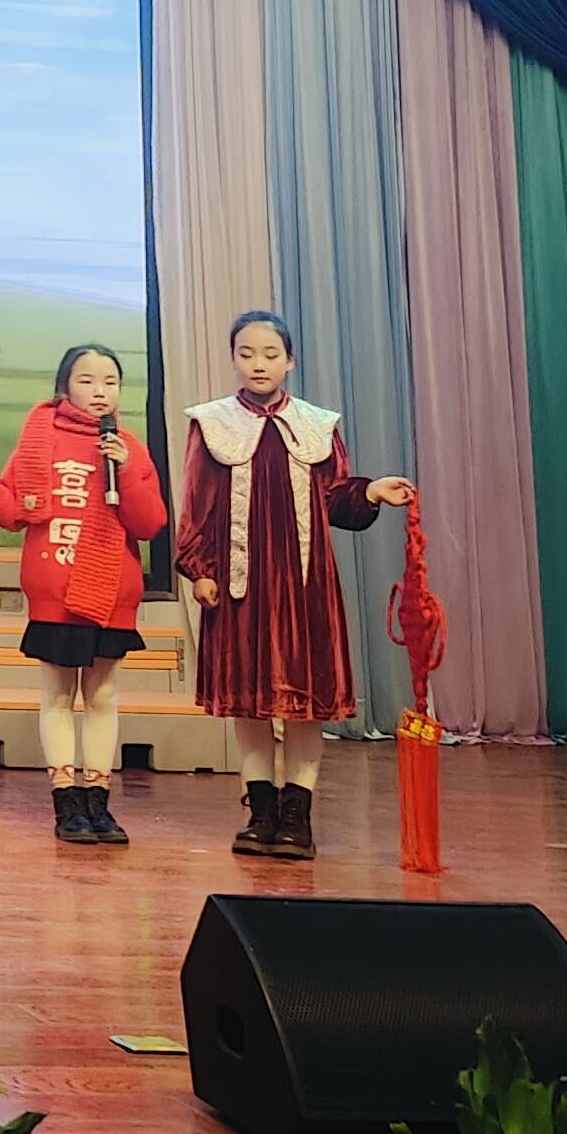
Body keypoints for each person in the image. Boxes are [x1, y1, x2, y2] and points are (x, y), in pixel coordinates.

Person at [177, 308, 412, 861]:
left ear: (290, 361)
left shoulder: (316, 425)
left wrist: (371, 491)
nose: (258, 364)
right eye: (246, 353)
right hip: (239, 583)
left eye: (270, 354)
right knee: (250, 703)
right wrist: (200, 569)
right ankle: (259, 811)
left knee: (306, 701)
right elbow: (196, 503)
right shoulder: (212, 423)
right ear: (233, 359)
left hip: (304, 587)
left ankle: (297, 815)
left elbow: (335, 499)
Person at [0, 339, 168, 846]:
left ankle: (99, 801)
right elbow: (15, 510)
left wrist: (124, 466)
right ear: (64, 387)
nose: (100, 391)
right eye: (87, 380)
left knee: (102, 696)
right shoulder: (39, 437)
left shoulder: (128, 445)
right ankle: (66, 801)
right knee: (58, 696)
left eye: (110, 381)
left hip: (111, 590)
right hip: (55, 589)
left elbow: (149, 523)